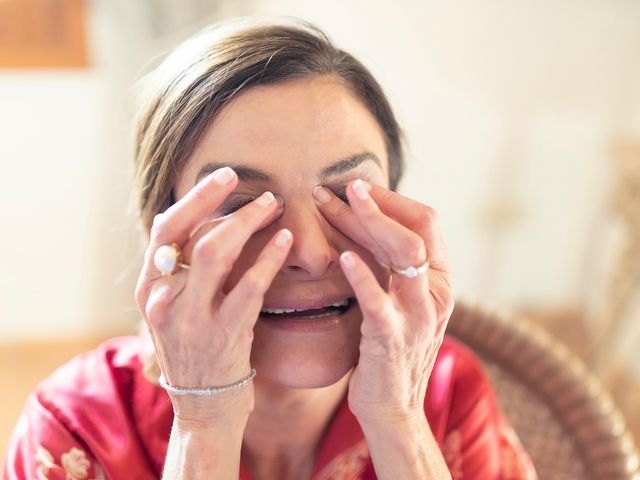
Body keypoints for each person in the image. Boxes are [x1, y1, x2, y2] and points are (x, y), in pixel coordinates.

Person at [4, 17, 537, 480]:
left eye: (346, 197)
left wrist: (397, 418)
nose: (310, 252)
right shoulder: (76, 429)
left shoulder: (448, 394)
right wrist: (205, 423)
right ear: (162, 239)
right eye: (241, 208)